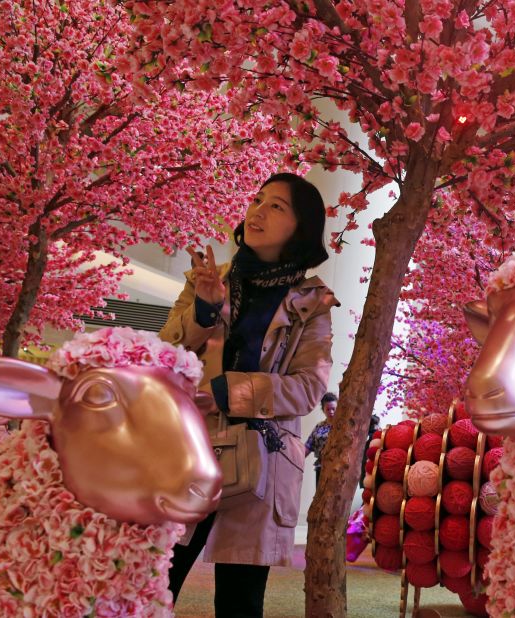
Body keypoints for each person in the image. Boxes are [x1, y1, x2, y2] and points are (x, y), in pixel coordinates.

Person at [159, 173, 339, 617]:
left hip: (260, 461)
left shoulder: (312, 302)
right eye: (258, 200)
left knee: (240, 602)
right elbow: (165, 354)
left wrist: (229, 392)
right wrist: (204, 308)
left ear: (301, 226)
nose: (257, 211)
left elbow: (308, 387)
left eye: (277, 206)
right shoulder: (206, 278)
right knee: (153, 578)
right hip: (190, 450)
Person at [304, 392, 337, 488]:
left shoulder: (343, 427)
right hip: (321, 469)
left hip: (337, 469)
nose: (331, 411)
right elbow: (308, 446)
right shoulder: (319, 427)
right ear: (323, 410)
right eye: (328, 409)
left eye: (333, 409)